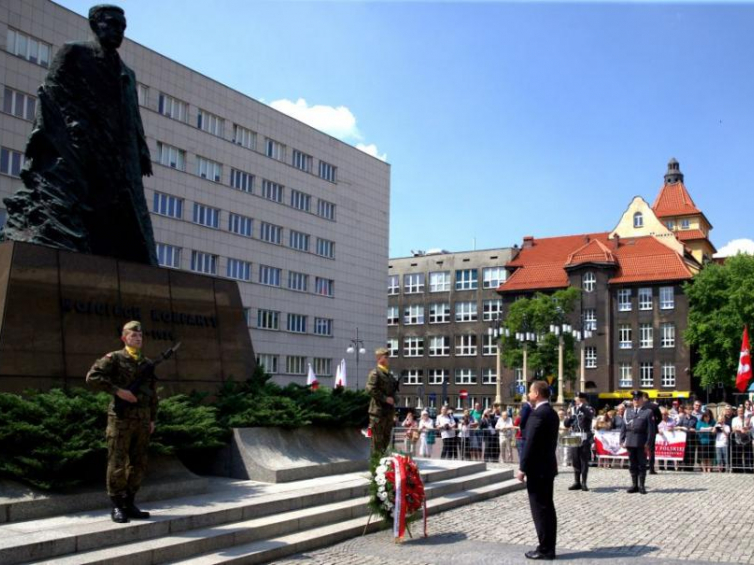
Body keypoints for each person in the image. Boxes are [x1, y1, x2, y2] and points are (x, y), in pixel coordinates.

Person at [2, 5, 158, 265]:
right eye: (113, 24)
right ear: (95, 24)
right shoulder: (74, 53)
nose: (119, 31)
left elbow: (132, 115)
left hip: (119, 153)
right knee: (86, 205)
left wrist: (141, 149)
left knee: (124, 215)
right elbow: (50, 91)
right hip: (84, 144)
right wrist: (44, 132)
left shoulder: (127, 73)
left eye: (123, 27)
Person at [86, 321, 157, 523]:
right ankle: (117, 506)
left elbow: (152, 395)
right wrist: (119, 391)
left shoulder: (147, 363)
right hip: (120, 419)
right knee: (117, 462)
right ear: (124, 338)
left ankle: (130, 502)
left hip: (142, 420)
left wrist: (153, 418)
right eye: (133, 336)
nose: (138, 338)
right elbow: (92, 377)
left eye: (140, 336)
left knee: (139, 463)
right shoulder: (115, 358)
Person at [517, 380, 559, 561]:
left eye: (530, 391)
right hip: (547, 466)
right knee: (547, 508)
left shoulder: (538, 414)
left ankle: (545, 549)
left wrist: (522, 468)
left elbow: (530, 444)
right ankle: (548, 545)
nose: (528, 394)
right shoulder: (551, 413)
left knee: (540, 509)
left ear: (537, 394)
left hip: (537, 469)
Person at [620, 391, 654, 494]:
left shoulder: (648, 412)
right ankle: (634, 485)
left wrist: (648, 443)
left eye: (637, 399)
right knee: (632, 464)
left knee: (642, 464)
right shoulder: (628, 411)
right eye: (634, 399)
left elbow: (651, 430)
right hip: (630, 440)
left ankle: (641, 486)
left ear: (641, 400)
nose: (635, 401)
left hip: (641, 441)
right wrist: (622, 439)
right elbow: (623, 427)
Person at [366, 347, 398, 455]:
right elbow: (370, 389)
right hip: (378, 412)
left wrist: (394, 399)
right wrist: (385, 399)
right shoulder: (375, 373)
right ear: (380, 359)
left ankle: (383, 466)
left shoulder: (389, 375)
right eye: (386, 357)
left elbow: (393, 392)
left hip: (388, 412)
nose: (388, 359)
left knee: (386, 440)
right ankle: (376, 467)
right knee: (377, 442)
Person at [564, 392, 595, 491]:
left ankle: (584, 482)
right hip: (574, 435)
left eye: (576, 398)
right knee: (575, 459)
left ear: (582, 399)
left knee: (583, 460)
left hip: (584, 436)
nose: (575, 400)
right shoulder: (573, 409)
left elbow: (589, 415)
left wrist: (581, 406)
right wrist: (568, 416)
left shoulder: (589, 408)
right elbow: (566, 425)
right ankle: (576, 481)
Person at [642, 392, 662, 474]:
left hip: (642, 430)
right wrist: (653, 424)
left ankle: (642, 466)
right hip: (652, 430)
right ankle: (651, 468)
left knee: (642, 449)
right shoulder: (654, 406)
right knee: (651, 450)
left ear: (643, 397)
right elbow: (660, 418)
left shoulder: (641, 406)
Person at [676, 404, 699, 471]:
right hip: (683, 438)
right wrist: (680, 427)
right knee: (683, 453)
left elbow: (697, 428)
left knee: (691, 453)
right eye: (688, 409)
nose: (689, 410)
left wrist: (695, 429)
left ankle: (690, 467)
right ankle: (681, 466)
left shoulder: (695, 418)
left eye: (691, 409)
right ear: (685, 410)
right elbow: (677, 426)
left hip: (692, 438)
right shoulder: (682, 418)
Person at [715, 407, 731, 472]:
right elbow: (713, 432)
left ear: (724, 420)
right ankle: (719, 469)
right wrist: (716, 426)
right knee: (719, 458)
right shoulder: (717, 425)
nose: (721, 421)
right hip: (718, 444)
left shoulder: (727, 426)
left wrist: (722, 429)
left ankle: (726, 468)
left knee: (725, 457)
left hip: (724, 443)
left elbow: (727, 434)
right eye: (719, 419)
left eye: (722, 419)